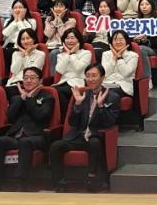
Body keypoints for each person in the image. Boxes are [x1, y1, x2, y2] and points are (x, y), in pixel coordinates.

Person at [49, 63, 120, 192]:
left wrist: (100, 106)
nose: (90, 79)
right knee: (56, 146)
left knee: (94, 142)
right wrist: (77, 104)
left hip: (96, 136)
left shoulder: (112, 97)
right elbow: (72, 122)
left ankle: (93, 180)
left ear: (102, 77)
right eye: (88, 76)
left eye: (94, 76)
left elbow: (109, 122)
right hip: (78, 136)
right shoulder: (83, 95)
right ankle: (59, 182)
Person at [0, 67, 54, 191]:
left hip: (37, 136)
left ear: (40, 81)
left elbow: (41, 116)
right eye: (26, 78)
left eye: (32, 78)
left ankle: (20, 182)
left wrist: (30, 99)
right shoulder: (17, 98)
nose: (28, 81)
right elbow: (10, 117)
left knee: (25, 142)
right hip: (16, 136)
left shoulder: (48, 98)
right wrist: (22, 99)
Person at [53, 28, 91, 120]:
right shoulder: (61, 55)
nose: (69, 41)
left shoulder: (86, 53)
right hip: (64, 82)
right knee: (53, 91)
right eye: (67, 38)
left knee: (59, 91)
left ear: (78, 39)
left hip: (78, 82)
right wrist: (67, 54)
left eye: (72, 38)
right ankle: (61, 119)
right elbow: (59, 70)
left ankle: (66, 119)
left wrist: (72, 54)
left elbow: (78, 69)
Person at [5, 28, 45, 100]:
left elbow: (30, 72)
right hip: (14, 84)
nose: (25, 41)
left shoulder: (40, 54)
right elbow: (14, 71)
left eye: (28, 38)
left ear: (34, 39)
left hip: (29, 85)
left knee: (15, 99)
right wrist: (22, 56)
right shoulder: (16, 54)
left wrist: (26, 54)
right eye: (23, 39)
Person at [101, 30, 139, 99]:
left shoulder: (133, 56)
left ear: (127, 41)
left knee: (111, 94)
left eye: (121, 39)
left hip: (123, 87)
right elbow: (105, 73)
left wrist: (119, 58)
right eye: (115, 40)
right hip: (106, 85)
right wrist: (114, 58)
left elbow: (126, 73)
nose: (118, 42)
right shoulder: (106, 54)